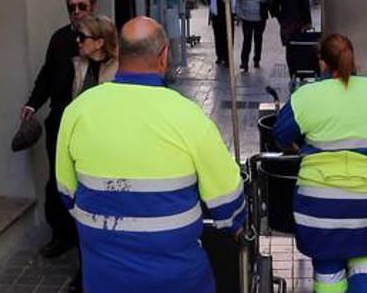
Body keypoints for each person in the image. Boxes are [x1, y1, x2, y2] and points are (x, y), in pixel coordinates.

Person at [55, 16, 245, 293]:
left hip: (103, 279)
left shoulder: (78, 111)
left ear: (119, 52)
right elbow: (228, 206)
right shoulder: (188, 116)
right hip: (179, 281)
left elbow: (66, 192)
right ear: (163, 55)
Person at [273, 34, 367, 293]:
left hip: (320, 203)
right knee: (366, 259)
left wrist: (300, 149)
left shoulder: (306, 96)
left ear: (322, 63)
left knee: (328, 267)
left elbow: (280, 135)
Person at [20, 0, 96, 259]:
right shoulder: (60, 39)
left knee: (89, 181)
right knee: (58, 179)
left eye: (82, 6)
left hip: (92, 128)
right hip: (60, 121)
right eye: (72, 7)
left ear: (92, 7)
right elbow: (46, 75)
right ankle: (60, 235)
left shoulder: (102, 41)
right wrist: (32, 104)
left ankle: (87, 238)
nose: (76, 12)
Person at [72, 15, 119, 97]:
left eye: (82, 37)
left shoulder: (120, 69)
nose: (77, 40)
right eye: (77, 35)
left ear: (99, 43)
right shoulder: (77, 65)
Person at [236, 0, 272, 72]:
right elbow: (238, 1)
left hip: (260, 18)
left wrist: (265, 1)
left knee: (258, 39)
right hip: (247, 18)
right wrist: (239, 14)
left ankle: (257, 59)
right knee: (247, 40)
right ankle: (244, 62)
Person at [206, 0, 235, 66]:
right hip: (219, 13)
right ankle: (222, 56)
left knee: (225, 35)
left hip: (225, 12)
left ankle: (225, 56)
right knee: (221, 35)